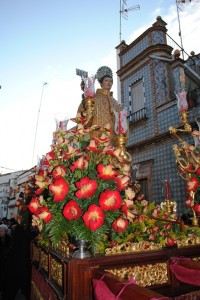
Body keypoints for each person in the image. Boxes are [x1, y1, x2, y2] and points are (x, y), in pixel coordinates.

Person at [77, 66, 122, 141]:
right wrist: (86, 94)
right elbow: (83, 111)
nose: (109, 82)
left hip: (113, 136)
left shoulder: (115, 102)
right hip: (97, 134)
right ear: (101, 83)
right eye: (106, 80)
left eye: (111, 81)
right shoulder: (95, 97)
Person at [0, 225, 10, 298]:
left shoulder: (8, 238)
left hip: (5, 260)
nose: (0, 232)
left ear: (5, 232)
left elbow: (9, 247)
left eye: (1, 231)